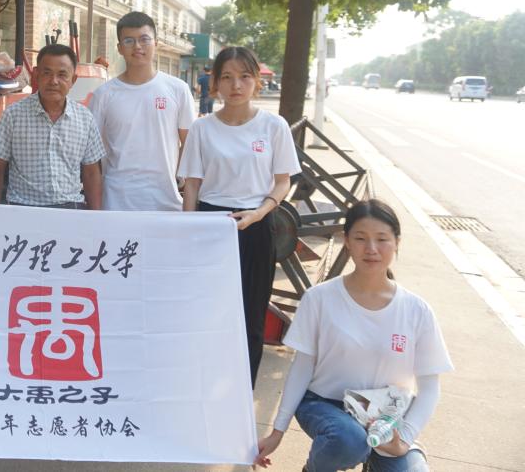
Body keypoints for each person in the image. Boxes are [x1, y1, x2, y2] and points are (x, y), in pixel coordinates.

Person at [255, 200, 453, 472]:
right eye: (360, 238)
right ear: (347, 241)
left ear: (397, 242)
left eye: (382, 239)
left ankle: (379, 459)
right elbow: (302, 367)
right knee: (349, 441)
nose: (371, 248)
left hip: (386, 416)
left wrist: (404, 440)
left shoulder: (417, 310)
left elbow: (430, 387)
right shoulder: (319, 298)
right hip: (324, 404)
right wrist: (277, 431)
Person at [178, 46, 299, 385]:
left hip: (256, 225)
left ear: (256, 81)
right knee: (206, 312)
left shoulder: (273, 126)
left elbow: (283, 182)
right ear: (214, 83)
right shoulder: (202, 129)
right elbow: (192, 185)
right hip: (210, 226)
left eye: (244, 77)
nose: (236, 85)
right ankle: (203, 386)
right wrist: (189, 232)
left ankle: (242, 392)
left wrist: (260, 212)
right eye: (227, 77)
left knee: (251, 314)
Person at [88, 11, 196, 211]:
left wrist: (178, 176)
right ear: (120, 48)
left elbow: (190, 143)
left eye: (144, 39)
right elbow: (91, 154)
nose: (137, 46)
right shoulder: (103, 95)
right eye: (129, 41)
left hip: (166, 202)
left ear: (156, 43)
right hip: (116, 203)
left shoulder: (177, 89)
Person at [0, 43, 104, 208]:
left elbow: (91, 173)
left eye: (62, 75)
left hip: (71, 209)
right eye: (47, 73)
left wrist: (95, 216)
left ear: (73, 80)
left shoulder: (85, 119)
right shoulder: (13, 116)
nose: (53, 81)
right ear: (36, 75)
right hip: (23, 209)